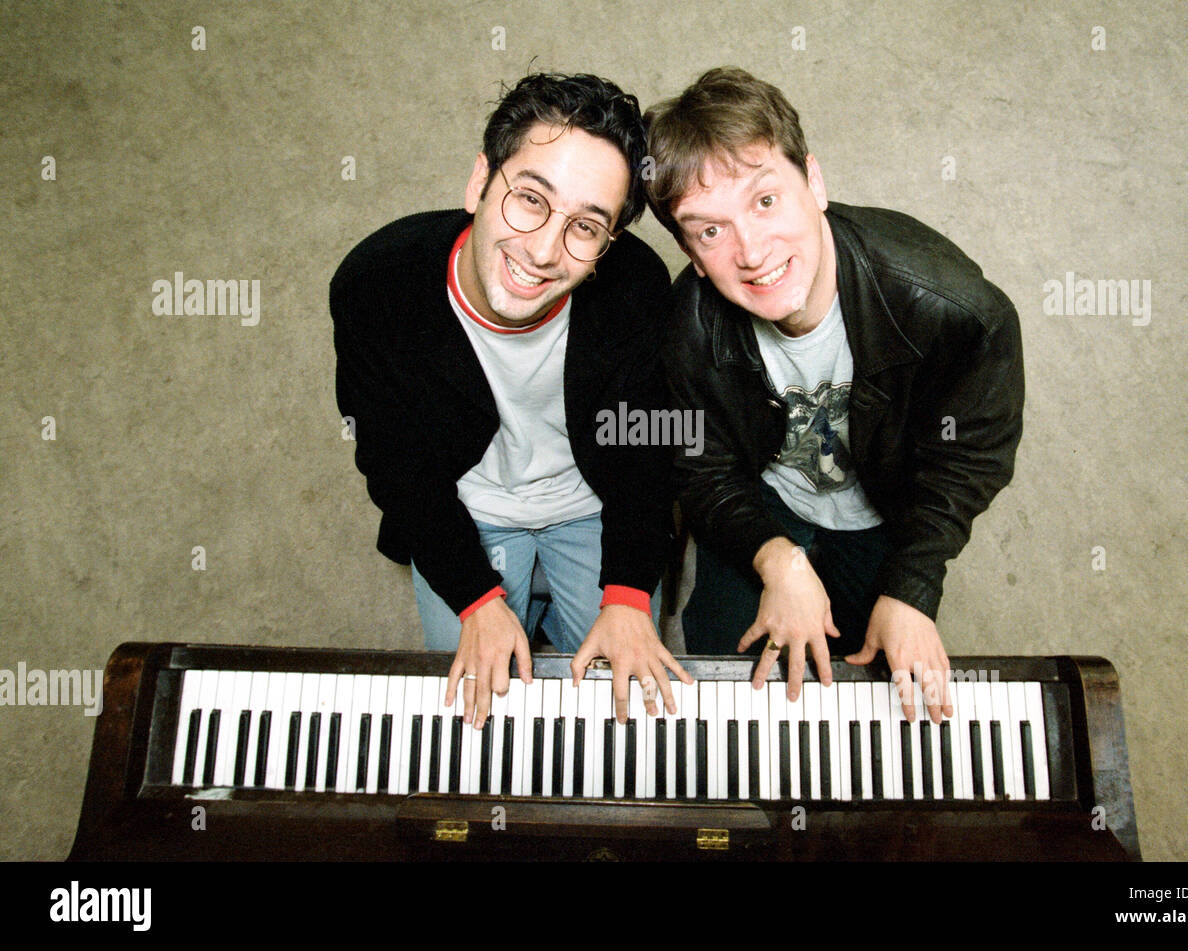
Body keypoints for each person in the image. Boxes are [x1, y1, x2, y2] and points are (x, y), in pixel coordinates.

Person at [645, 68, 1024, 723]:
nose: (752, 250)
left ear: (814, 182)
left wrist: (914, 582)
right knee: (729, 684)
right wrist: (779, 561)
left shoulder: (955, 310)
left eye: (766, 201)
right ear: (690, 250)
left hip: (884, 512)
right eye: (710, 230)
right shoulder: (689, 327)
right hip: (762, 502)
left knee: (869, 695)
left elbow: (974, 451)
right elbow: (700, 466)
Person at [331, 72, 691, 730]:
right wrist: (474, 597)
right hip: (470, 504)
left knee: (629, 710)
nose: (544, 250)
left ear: (608, 245)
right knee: (479, 717)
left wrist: (629, 591)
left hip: (592, 498)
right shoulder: (375, 287)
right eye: (530, 198)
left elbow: (647, 452)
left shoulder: (636, 288)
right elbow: (395, 464)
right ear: (478, 183)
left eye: (586, 226)